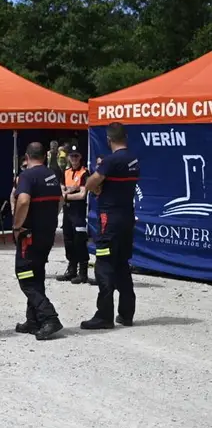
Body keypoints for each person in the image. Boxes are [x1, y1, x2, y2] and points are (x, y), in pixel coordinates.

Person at [82, 122, 138, 330]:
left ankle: (104, 315)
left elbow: (90, 183)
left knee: (104, 265)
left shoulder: (110, 161)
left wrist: (97, 174)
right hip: (126, 217)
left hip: (109, 219)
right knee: (122, 264)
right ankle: (126, 313)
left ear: (108, 140)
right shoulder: (133, 160)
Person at [11, 142, 64, 340]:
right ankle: (33, 320)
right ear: (44, 155)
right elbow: (60, 200)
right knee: (37, 273)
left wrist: (17, 226)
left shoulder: (27, 176)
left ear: (27, 156)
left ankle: (49, 317)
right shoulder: (52, 174)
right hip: (47, 233)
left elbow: (23, 200)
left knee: (25, 276)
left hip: (29, 235)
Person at [58, 146, 90, 284]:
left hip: (78, 211)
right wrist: (70, 191)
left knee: (80, 241)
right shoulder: (65, 172)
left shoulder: (84, 172)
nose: (74, 159)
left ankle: (83, 273)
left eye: (76, 156)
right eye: (72, 156)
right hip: (68, 211)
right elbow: (62, 189)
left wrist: (67, 196)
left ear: (80, 157)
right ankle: (71, 270)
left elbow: (82, 195)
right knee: (68, 240)